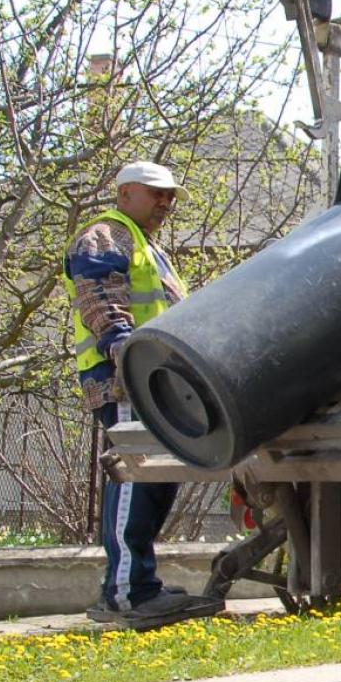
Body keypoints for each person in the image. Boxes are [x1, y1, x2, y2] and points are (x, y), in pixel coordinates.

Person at [64, 161, 223, 631]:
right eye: (158, 194)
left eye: (171, 197)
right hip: (127, 378)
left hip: (153, 379)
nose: (166, 204)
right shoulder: (107, 235)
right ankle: (127, 593)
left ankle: (139, 583)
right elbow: (97, 296)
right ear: (126, 192)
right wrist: (124, 349)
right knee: (137, 478)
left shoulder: (144, 244)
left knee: (156, 478)